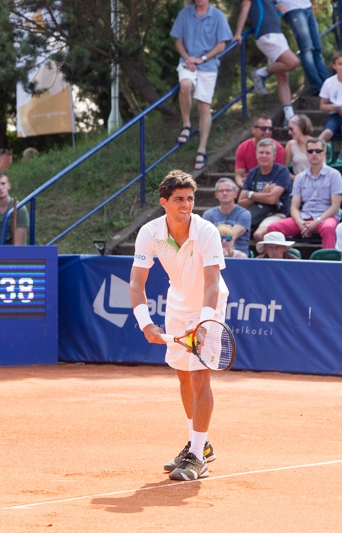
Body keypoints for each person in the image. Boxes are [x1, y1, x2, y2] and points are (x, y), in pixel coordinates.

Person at [129, 170, 229, 481]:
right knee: (184, 379)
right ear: (164, 202)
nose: (186, 205)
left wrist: (203, 323)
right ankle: (199, 444)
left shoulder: (207, 231)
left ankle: (198, 458)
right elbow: (136, 283)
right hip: (177, 305)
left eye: (190, 198)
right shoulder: (150, 233)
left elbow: (212, 284)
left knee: (200, 380)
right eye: (179, 199)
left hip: (209, 307)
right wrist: (146, 324)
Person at [170, 0, 233, 171]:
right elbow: (178, 41)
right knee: (185, 86)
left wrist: (202, 59)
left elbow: (221, 45)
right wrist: (188, 58)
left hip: (208, 65)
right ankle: (186, 124)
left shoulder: (218, 16)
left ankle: (202, 149)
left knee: (204, 106)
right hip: (188, 62)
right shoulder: (185, 14)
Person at [266, 137, 342, 249]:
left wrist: (317, 221)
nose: (314, 154)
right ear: (306, 154)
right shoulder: (300, 177)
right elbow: (293, 207)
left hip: (326, 217)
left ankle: (329, 262)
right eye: (310, 151)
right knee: (273, 228)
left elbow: (335, 207)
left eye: (318, 151)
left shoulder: (334, 175)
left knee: (328, 228)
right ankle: (282, 260)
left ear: (324, 153)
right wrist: (299, 222)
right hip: (304, 217)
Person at [234, 0, 299, 121]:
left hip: (277, 34)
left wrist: (279, 7)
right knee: (292, 62)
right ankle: (259, 73)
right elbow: (245, 8)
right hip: (267, 35)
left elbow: (272, 8)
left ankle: (289, 115)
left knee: (283, 77)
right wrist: (238, 33)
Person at [238, 139, 291, 241]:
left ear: (274, 156)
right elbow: (241, 202)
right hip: (256, 212)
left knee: (258, 234)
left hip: (277, 213)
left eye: (267, 153)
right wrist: (261, 194)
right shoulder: (252, 173)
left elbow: (271, 199)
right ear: (256, 155)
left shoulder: (282, 171)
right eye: (261, 152)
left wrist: (250, 194)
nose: (264, 156)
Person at [277, 0, 330, 94]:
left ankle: (328, 84)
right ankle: (317, 86)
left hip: (307, 7)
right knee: (307, 49)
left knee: (317, 48)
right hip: (292, 9)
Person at [202, 178, 252, 256]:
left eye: (228, 190)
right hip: (214, 256)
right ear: (216, 195)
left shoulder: (244, 214)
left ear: (235, 194)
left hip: (239, 258)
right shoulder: (208, 215)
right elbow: (207, 238)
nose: (225, 193)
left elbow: (232, 236)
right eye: (221, 191)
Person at [234, 115, 285, 187]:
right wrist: (245, 187)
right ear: (253, 130)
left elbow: (278, 176)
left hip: (270, 186)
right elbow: (239, 175)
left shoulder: (278, 149)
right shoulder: (243, 148)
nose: (267, 132)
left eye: (270, 129)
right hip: (249, 185)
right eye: (263, 128)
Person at [0, 171, 29, 245]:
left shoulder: (19, 209)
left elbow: (19, 245)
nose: (0, 187)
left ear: (9, 186)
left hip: (15, 254)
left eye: (3, 183)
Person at [284, 114, 315, 180]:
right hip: (299, 183)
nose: (289, 132)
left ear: (301, 127)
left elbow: (323, 168)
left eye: (291, 129)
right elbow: (284, 169)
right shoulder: (290, 144)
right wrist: (296, 178)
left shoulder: (317, 143)